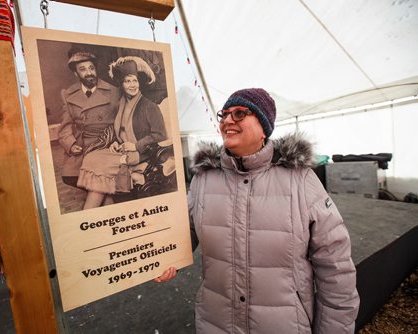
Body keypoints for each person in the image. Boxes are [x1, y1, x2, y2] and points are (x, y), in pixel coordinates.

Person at [156, 88, 360, 333]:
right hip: (216, 324)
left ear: (264, 127)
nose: (228, 120)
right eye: (224, 114)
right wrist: (161, 257)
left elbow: (335, 265)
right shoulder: (204, 179)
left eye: (240, 113)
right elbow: (184, 232)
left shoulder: (300, 180)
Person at [77, 57, 167, 208]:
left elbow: (161, 134)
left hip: (141, 153)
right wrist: (115, 142)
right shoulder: (122, 103)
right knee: (91, 158)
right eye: (127, 81)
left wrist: (136, 145)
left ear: (139, 82)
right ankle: (107, 210)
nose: (132, 85)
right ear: (122, 84)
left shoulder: (149, 106)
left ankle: (90, 213)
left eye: (134, 81)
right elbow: (121, 129)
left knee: (100, 167)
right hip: (122, 150)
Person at [58, 48, 120, 188]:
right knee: (70, 177)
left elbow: (122, 121)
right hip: (82, 146)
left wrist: (116, 141)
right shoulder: (68, 94)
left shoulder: (113, 91)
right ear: (76, 73)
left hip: (107, 143)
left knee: (96, 179)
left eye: (91, 68)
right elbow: (65, 126)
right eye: (83, 69)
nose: (89, 73)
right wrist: (71, 144)